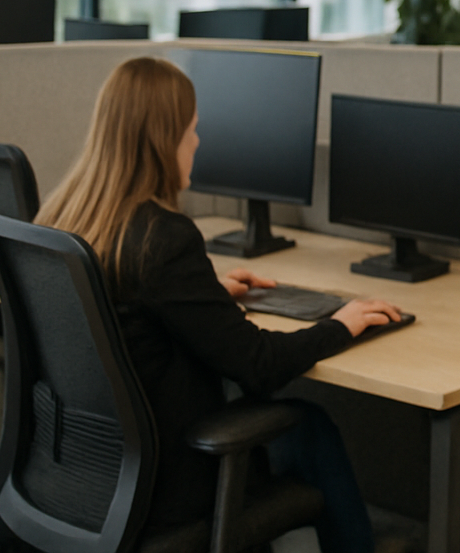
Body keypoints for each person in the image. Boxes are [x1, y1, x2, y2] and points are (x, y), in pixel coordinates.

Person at [36, 56, 402, 552]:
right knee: (310, 427)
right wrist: (342, 323)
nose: (197, 143)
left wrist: (204, 296)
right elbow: (259, 365)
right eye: (192, 130)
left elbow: (126, 304)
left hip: (87, 473)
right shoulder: (163, 238)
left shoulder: (62, 219)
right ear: (164, 141)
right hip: (165, 486)